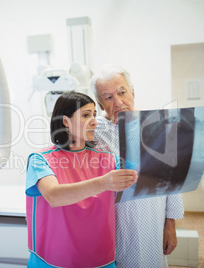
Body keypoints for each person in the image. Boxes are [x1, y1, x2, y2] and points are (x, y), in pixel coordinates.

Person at [25, 91, 138, 268]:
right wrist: (104, 183)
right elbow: (54, 196)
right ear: (65, 122)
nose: (94, 121)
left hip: (101, 260)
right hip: (53, 261)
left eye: (94, 114)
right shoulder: (40, 159)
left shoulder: (109, 159)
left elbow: (149, 172)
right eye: (86, 115)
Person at [90, 64, 184, 268]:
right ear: (100, 103)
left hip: (152, 218)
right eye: (108, 97)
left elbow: (171, 182)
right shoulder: (94, 133)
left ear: (133, 91)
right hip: (112, 223)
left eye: (122, 92)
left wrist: (170, 225)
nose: (118, 101)